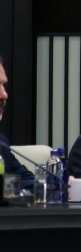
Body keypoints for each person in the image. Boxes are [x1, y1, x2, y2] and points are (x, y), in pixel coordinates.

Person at [0, 53, 34, 190]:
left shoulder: (1, 143)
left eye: (3, 85)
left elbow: (27, 181)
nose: (4, 94)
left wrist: (57, 184)